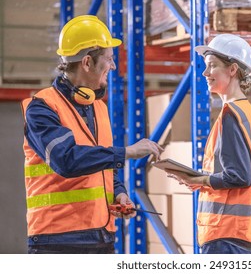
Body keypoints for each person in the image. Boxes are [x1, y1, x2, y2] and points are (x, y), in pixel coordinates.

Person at [21, 15, 164, 254]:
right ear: (87, 62)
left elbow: (103, 166)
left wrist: (119, 193)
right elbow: (65, 160)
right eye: (109, 59)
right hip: (57, 241)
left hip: (101, 237)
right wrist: (128, 152)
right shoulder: (42, 108)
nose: (114, 66)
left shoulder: (97, 106)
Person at [166, 34, 251, 254]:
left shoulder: (231, 115)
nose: (205, 73)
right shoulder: (245, 112)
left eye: (212, 66)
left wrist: (197, 178)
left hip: (226, 236)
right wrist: (200, 181)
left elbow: (239, 175)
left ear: (232, 69)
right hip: (241, 234)